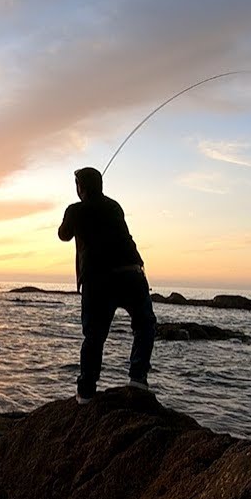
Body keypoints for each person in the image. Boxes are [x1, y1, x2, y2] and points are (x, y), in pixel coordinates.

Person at [58, 166, 156, 405]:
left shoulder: (75, 210)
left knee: (94, 336)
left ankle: (87, 392)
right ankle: (138, 379)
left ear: (82, 187)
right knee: (144, 326)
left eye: (77, 185)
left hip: (98, 279)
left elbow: (63, 234)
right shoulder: (114, 207)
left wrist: (72, 214)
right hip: (131, 273)